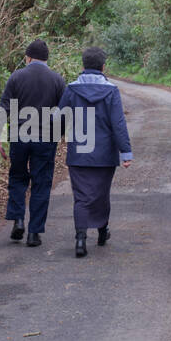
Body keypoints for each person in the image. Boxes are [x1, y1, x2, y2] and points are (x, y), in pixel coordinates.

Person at [57, 46, 132, 258]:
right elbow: (118, 123)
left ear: (82, 66)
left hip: (78, 152)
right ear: (103, 67)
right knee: (100, 193)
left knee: (81, 197)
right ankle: (101, 232)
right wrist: (125, 152)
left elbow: (59, 119)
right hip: (105, 154)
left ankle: (80, 239)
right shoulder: (111, 90)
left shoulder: (71, 89)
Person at [0, 39, 66, 246]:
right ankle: (34, 233)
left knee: (17, 178)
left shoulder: (17, 77)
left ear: (28, 57)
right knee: (41, 183)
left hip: (20, 137)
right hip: (45, 139)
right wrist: (58, 136)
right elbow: (63, 112)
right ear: (46, 59)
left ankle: (18, 221)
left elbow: (4, 106)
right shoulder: (57, 80)